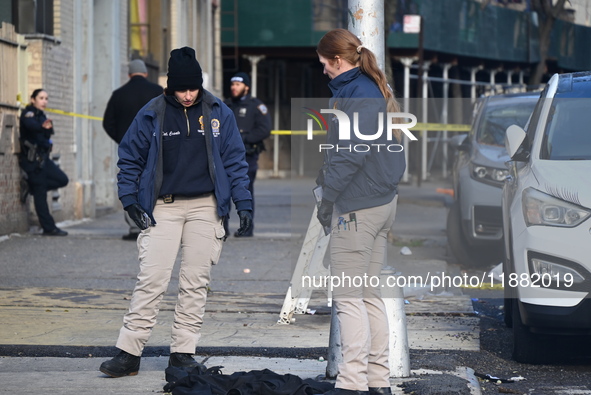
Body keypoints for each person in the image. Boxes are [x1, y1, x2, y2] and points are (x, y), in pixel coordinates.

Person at [99, 47, 253, 378]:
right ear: (169, 86)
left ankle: (183, 353)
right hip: (163, 207)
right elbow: (129, 159)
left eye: (192, 88)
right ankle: (128, 352)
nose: (187, 95)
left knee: (195, 282)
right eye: (181, 89)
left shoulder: (217, 112)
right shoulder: (151, 113)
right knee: (151, 279)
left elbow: (235, 161)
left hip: (206, 207)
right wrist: (129, 201)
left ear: (199, 85)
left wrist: (244, 204)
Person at [315, 29, 406, 395]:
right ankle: (376, 381)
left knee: (350, 299)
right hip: (380, 204)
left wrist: (327, 198)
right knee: (368, 296)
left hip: (358, 208)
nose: (322, 71)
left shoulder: (358, 94)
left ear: (339, 61)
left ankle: (351, 384)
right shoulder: (370, 88)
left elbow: (349, 154)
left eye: (324, 64)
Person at [103, 59, 163, 240]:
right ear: (145, 73)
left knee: (130, 182)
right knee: (155, 181)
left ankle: (134, 226)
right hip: (155, 146)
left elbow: (108, 123)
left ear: (129, 74)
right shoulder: (157, 92)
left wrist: (123, 141)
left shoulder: (119, 94)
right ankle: (157, 220)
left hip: (130, 149)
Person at [225, 72, 271, 237]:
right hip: (226, 157)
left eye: (238, 85)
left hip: (247, 156)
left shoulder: (256, 106)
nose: (234, 88)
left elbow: (264, 129)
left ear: (246, 87)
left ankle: (246, 228)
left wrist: (243, 139)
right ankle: (222, 228)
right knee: (223, 192)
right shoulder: (227, 105)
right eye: (232, 85)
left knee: (245, 191)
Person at [19, 89, 69, 236]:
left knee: (62, 179)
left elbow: (48, 134)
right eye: (41, 98)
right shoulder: (28, 114)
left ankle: (31, 187)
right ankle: (49, 228)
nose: (44, 101)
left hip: (44, 159)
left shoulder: (42, 116)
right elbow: (31, 127)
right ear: (33, 99)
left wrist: (46, 128)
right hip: (32, 161)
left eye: (46, 98)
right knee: (41, 195)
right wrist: (43, 127)